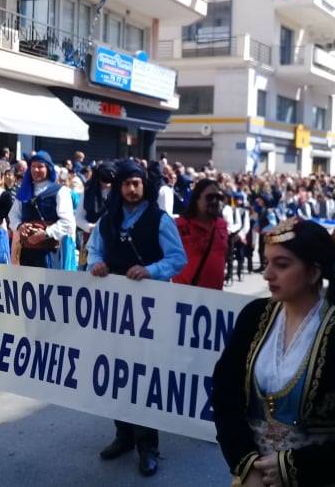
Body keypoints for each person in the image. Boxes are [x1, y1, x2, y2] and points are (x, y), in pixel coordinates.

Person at [211, 218, 335, 486]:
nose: (267, 274)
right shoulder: (254, 317)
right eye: (267, 262)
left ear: (313, 273)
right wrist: (245, 463)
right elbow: (225, 395)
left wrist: (295, 467)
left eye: (281, 264)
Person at [87, 159, 187, 477]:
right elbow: (94, 250)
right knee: (118, 371)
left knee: (143, 375)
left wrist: (151, 270)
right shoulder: (108, 219)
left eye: (137, 183)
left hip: (150, 310)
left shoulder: (159, 219)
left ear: (145, 186)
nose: (132, 189)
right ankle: (124, 435)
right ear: (119, 187)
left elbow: (178, 258)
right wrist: (96, 264)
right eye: (127, 183)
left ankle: (148, 446)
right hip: (116, 308)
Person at [9, 151, 76, 270]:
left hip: (49, 253)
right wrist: (20, 226)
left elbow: (68, 222)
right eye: (33, 166)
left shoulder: (60, 191)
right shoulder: (24, 191)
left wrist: (46, 233)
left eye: (40, 166)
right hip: (26, 252)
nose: (36, 170)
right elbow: (13, 215)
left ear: (48, 168)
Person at [174, 179, 228, 290]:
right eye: (210, 197)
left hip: (216, 295)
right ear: (196, 199)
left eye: (218, 197)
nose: (215, 201)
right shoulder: (179, 225)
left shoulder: (222, 225)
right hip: (185, 294)